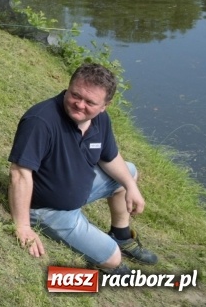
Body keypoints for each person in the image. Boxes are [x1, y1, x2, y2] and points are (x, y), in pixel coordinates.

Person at [8, 63, 158, 274]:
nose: (79, 104)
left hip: (80, 188)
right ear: (68, 87)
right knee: (112, 258)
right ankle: (110, 251)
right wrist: (23, 227)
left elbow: (110, 157)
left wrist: (131, 186)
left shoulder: (100, 120)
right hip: (47, 208)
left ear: (105, 105)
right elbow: (20, 173)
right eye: (75, 95)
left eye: (90, 102)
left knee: (129, 172)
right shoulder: (40, 121)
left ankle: (121, 235)